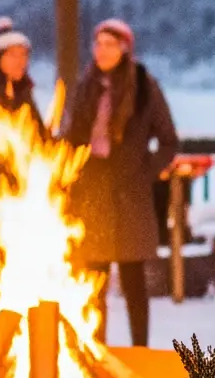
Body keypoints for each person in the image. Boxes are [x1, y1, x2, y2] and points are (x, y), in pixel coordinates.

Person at [64, 19, 182, 348]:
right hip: (92, 195)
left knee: (134, 284)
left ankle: (140, 351)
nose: (101, 50)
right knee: (93, 284)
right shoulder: (86, 86)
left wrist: (145, 173)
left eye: (109, 44)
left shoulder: (143, 86)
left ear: (124, 48)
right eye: (97, 43)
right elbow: (70, 137)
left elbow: (169, 141)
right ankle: (94, 351)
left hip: (130, 196)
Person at [0, 18, 45, 130]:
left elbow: (39, 132)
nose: (20, 61)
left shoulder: (24, 89)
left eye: (23, 54)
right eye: (12, 55)